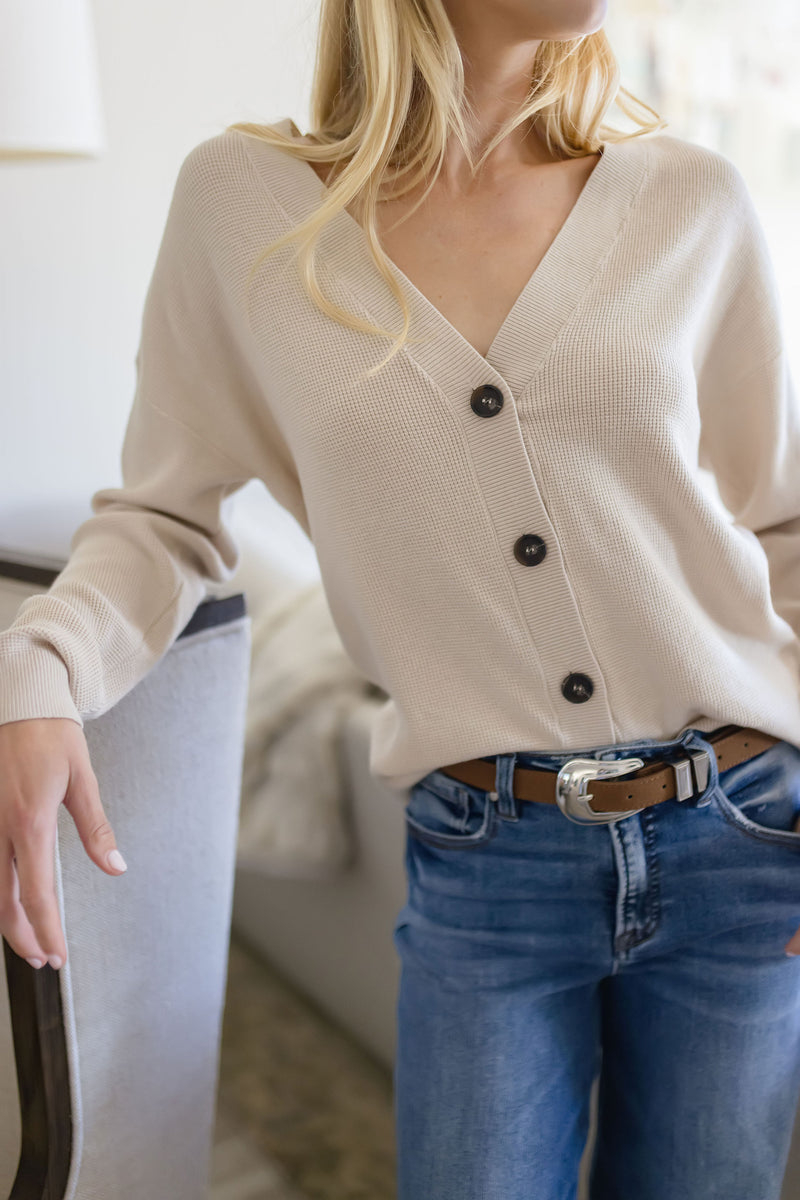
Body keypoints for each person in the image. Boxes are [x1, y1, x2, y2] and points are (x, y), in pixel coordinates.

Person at [2, 0, 800, 1196]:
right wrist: (40, 676)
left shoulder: (692, 201)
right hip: (488, 861)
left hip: (741, 831)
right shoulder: (245, 207)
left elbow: (782, 526)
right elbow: (165, 516)